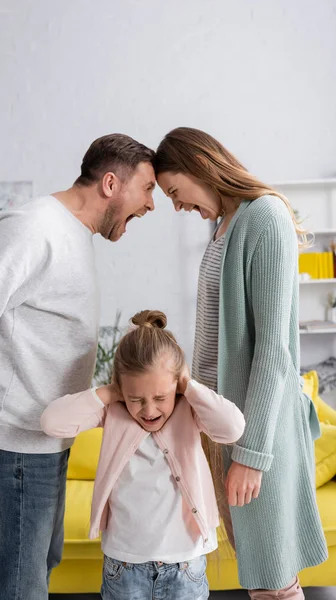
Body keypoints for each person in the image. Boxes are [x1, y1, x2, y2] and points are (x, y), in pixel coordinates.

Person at [0, 133, 156, 600]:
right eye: (148, 188)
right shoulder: (31, 229)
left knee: (36, 574)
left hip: (44, 445)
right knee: (22, 588)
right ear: (112, 184)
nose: (152, 204)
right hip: (15, 450)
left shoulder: (72, 233)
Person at [154, 127, 328, 599]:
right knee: (257, 576)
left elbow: (274, 353)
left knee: (274, 579)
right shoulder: (223, 226)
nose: (177, 206)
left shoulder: (264, 217)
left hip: (258, 433)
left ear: (200, 166)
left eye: (174, 192)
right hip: (224, 426)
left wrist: (251, 455)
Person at [41, 309, 245, 600]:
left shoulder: (190, 410)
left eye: (160, 398)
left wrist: (190, 388)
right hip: (124, 567)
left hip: (185, 564)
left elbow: (233, 428)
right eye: (136, 399)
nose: (149, 411)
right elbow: (52, 422)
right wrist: (111, 393)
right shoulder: (113, 411)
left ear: (177, 385)